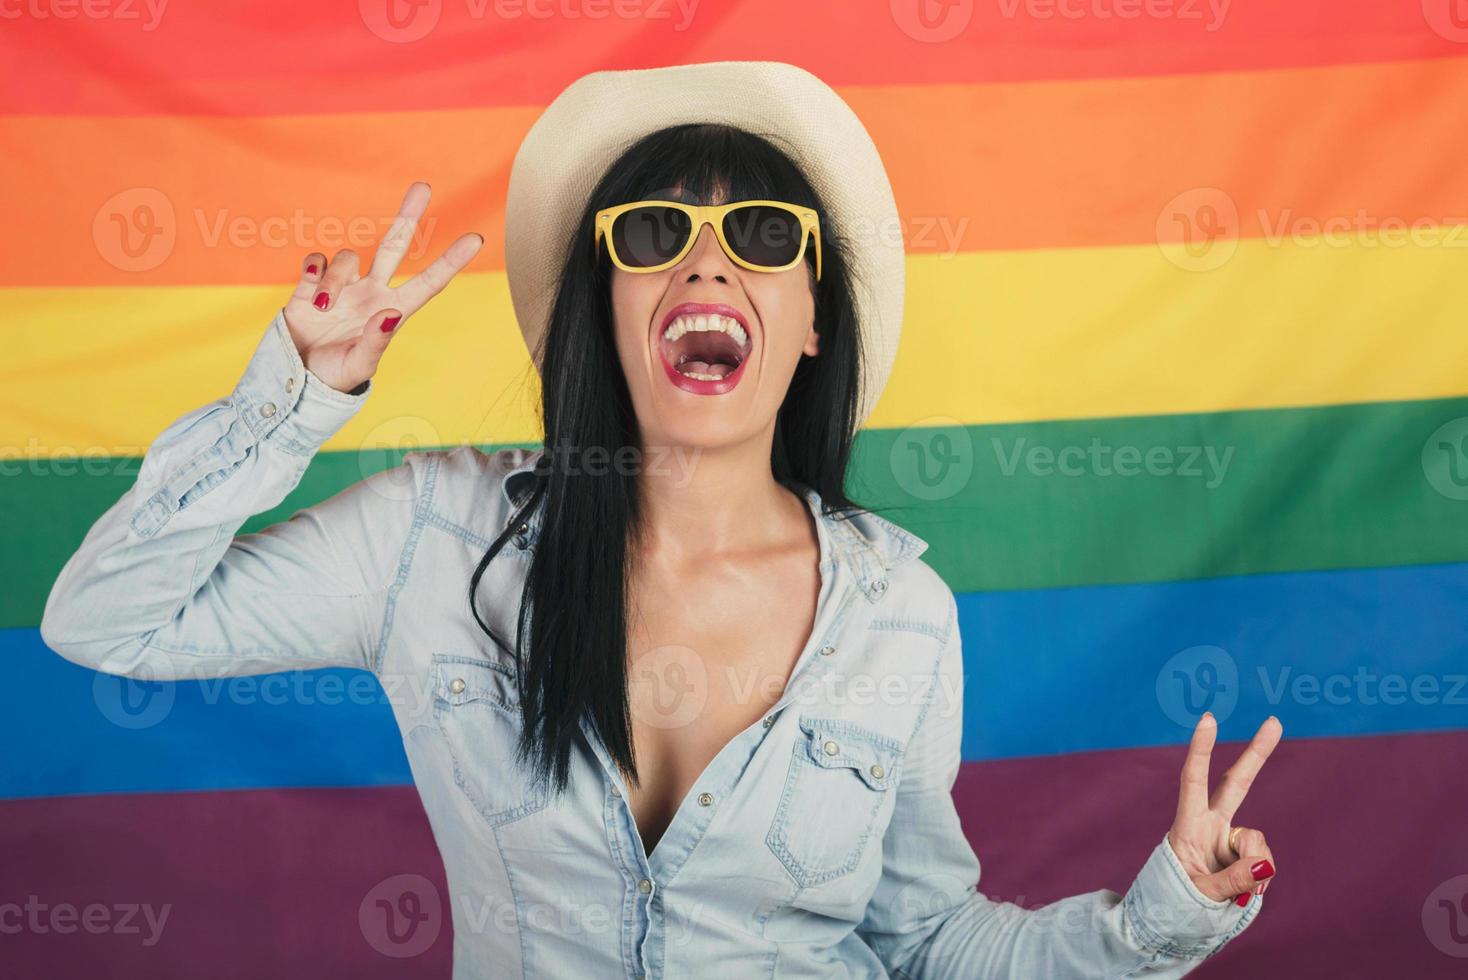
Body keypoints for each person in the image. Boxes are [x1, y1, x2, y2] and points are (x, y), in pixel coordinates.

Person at [42, 61, 1280, 978]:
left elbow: (927, 939)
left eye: (757, 234)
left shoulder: (899, 613)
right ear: (603, 304)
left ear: (809, 323)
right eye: (653, 234)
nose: (703, 267)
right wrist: (296, 398)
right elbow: (107, 621)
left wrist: (1158, 916)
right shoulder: (428, 538)